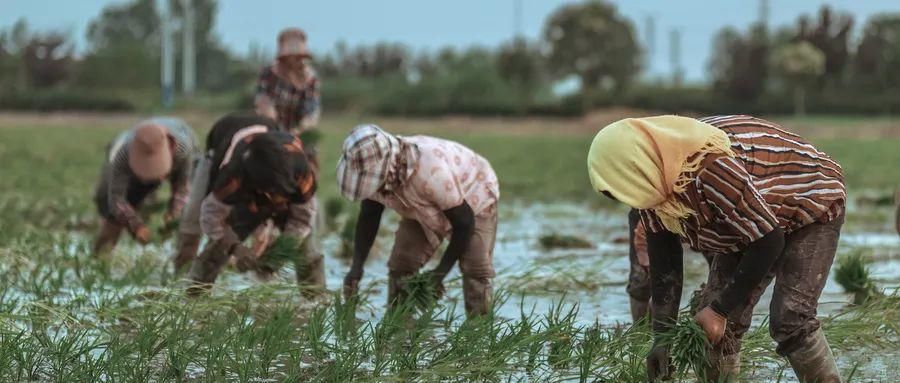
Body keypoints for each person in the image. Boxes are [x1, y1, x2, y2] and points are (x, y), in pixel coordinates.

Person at [587, 115, 846, 382]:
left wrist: (720, 311)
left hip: (809, 204)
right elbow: (666, 264)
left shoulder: (708, 168)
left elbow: (769, 240)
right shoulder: (653, 186)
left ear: (636, 166)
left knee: (790, 317)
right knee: (712, 325)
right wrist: (662, 338)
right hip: (750, 221)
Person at [339, 125, 500, 316]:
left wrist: (439, 274)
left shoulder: (431, 172)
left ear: (387, 167)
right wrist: (356, 267)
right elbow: (369, 217)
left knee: (476, 266)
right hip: (419, 205)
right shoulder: (377, 177)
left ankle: (478, 330)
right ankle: (398, 324)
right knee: (402, 262)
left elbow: (464, 224)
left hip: (473, 194)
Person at [173, 112, 321, 294]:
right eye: (269, 194)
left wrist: (279, 254)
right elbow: (211, 217)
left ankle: (315, 300)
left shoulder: (301, 171)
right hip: (220, 149)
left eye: (278, 195)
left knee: (305, 246)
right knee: (217, 246)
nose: (273, 201)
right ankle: (192, 296)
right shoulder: (233, 177)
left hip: (272, 162)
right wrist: (235, 247)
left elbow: (303, 219)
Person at [92, 117, 198, 255]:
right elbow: (117, 199)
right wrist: (136, 226)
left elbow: (182, 188)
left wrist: (173, 215)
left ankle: (185, 265)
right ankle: (101, 256)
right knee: (108, 207)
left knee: (189, 213)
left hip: (180, 149)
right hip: (126, 168)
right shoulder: (122, 155)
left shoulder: (183, 149)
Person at [254, 28, 320, 138]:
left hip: (298, 134)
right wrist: (277, 129)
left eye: (301, 57)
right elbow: (263, 102)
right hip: (270, 131)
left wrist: (300, 130)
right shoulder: (268, 74)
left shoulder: (310, 79)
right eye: (296, 57)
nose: (300, 60)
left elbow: (311, 110)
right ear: (285, 58)